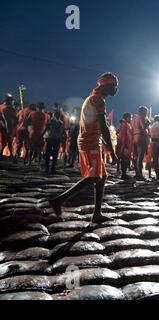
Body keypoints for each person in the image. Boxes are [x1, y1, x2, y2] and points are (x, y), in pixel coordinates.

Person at [48, 73, 119, 224]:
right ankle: (59, 200)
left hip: (93, 142)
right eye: (114, 85)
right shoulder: (98, 100)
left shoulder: (93, 98)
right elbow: (103, 127)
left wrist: (105, 146)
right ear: (106, 86)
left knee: (102, 177)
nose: (116, 89)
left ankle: (97, 213)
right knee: (93, 177)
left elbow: (98, 127)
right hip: (90, 143)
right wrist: (112, 151)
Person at [43, 108, 66, 174]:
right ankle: (53, 168)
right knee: (55, 154)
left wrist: (42, 135)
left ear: (54, 114)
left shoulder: (51, 120)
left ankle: (47, 167)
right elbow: (63, 131)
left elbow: (47, 128)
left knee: (48, 153)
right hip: (57, 139)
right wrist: (64, 137)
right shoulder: (61, 122)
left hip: (50, 138)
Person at [132, 106, 150, 181]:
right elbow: (143, 127)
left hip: (135, 136)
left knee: (136, 156)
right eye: (146, 112)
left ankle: (137, 174)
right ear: (143, 112)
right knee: (140, 156)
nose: (146, 113)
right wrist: (148, 123)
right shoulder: (141, 117)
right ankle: (140, 175)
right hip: (141, 137)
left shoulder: (134, 118)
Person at [116, 113, 133, 180]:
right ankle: (124, 174)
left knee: (125, 159)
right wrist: (124, 146)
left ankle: (124, 174)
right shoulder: (125, 124)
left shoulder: (126, 124)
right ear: (127, 117)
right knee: (124, 159)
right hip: (125, 145)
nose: (131, 119)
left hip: (126, 144)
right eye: (130, 117)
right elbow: (123, 136)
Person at [0, 94, 17, 160]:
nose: (12, 102)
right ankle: (11, 156)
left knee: (5, 141)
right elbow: (13, 119)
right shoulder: (9, 109)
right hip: (7, 127)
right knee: (7, 141)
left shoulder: (1, 107)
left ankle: (10, 155)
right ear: (9, 101)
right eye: (12, 101)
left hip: (4, 127)